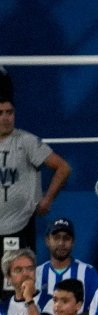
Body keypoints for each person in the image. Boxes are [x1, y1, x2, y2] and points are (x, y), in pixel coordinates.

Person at [0, 102, 69, 256]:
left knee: (19, 277)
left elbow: (63, 168)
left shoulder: (26, 141)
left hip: (18, 226)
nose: (5, 118)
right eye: (0, 113)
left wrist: (47, 200)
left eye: (9, 112)